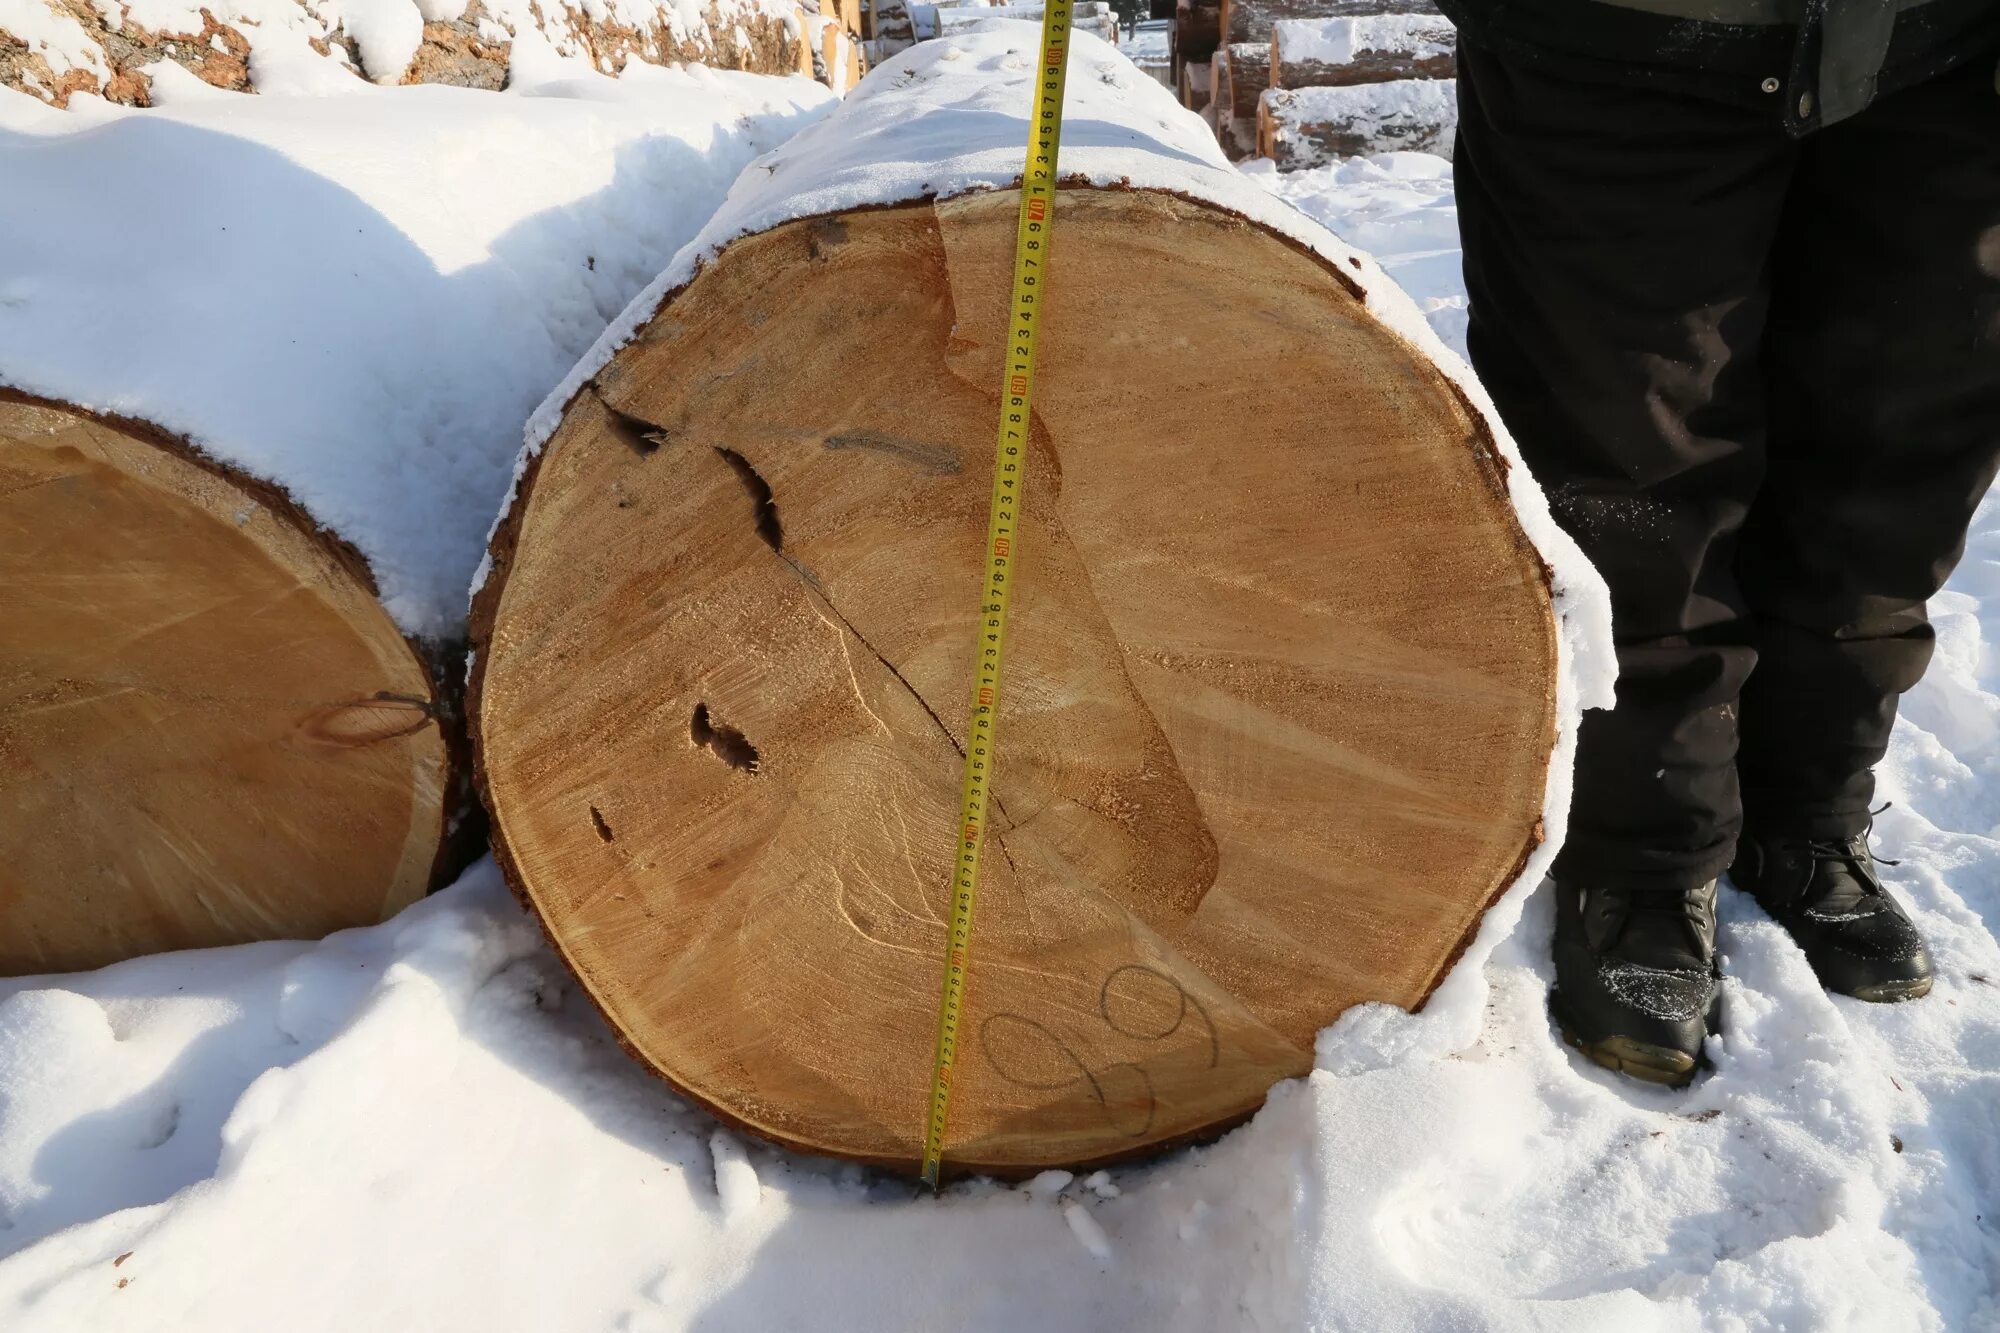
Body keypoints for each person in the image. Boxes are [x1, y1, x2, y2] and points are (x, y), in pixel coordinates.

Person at [1435, 0, 2000, 1084]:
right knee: (1628, 472)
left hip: (1950, 44)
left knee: (1897, 449)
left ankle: (1806, 807)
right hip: (1622, 35)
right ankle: (1646, 849)